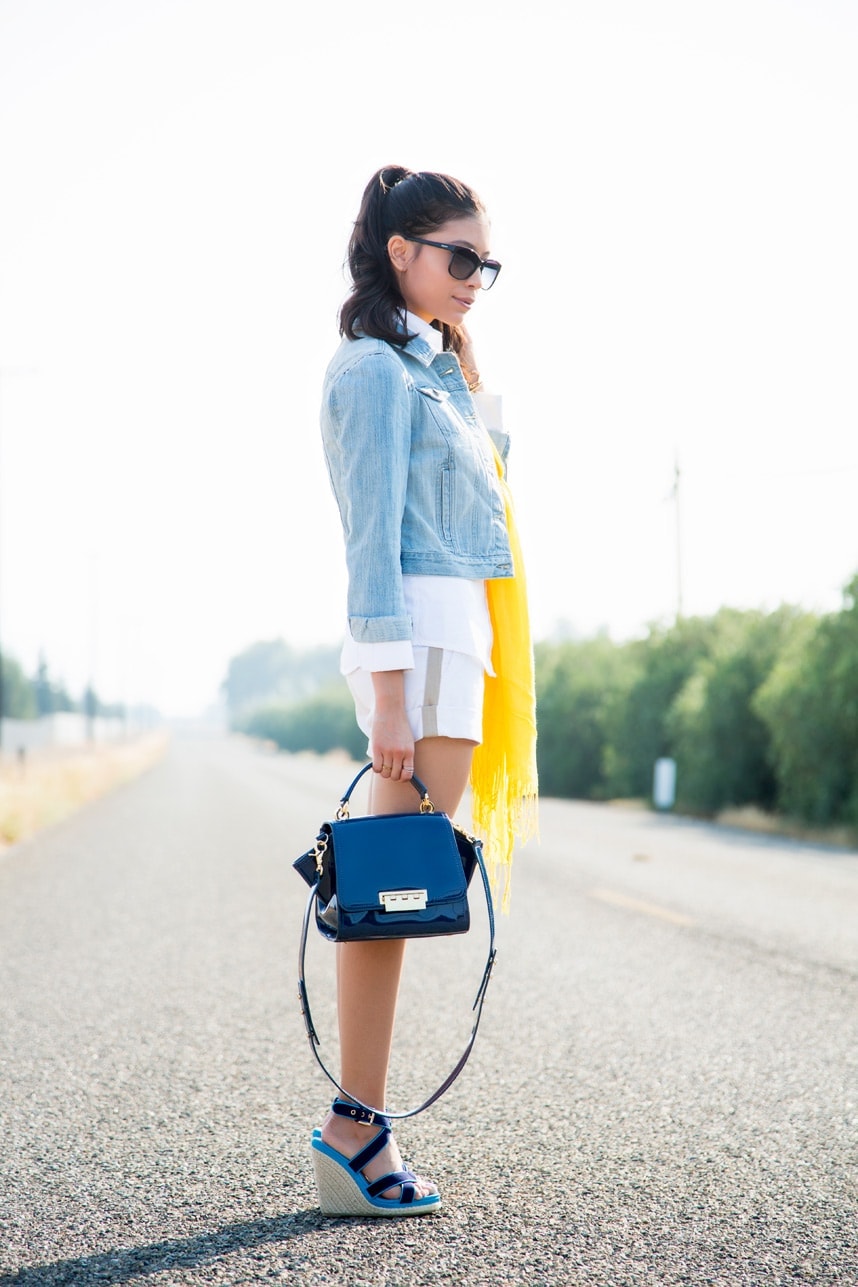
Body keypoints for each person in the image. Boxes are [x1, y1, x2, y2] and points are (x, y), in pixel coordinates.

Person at [313, 165, 538, 1218]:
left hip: (455, 643)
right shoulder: (369, 369)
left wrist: (459, 367)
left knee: (395, 893)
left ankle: (357, 1126)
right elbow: (371, 544)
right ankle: (354, 1130)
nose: (476, 278)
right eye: (460, 257)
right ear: (400, 251)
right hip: (420, 645)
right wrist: (392, 696)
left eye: (486, 262)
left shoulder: (433, 368)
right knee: (388, 896)